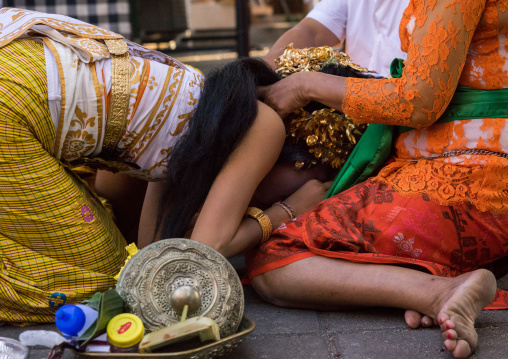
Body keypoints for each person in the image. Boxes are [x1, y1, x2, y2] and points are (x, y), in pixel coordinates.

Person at [0, 8, 328, 324]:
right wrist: (288, 209)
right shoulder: (265, 124)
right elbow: (201, 253)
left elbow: (150, 248)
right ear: (301, 160)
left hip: (15, 61)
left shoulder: (198, 107)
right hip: (11, 100)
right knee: (111, 284)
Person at [248, 0, 508, 358]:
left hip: (468, 178)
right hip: (470, 174)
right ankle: (423, 282)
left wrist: (308, 86)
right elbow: (310, 30)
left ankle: (438, 292)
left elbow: (419, 102)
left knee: (274, 260)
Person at [263, 0, 409, 76]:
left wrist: (306, 86)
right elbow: (311, 31)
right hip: (356, 112)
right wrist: (259, 73)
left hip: (412, 124)